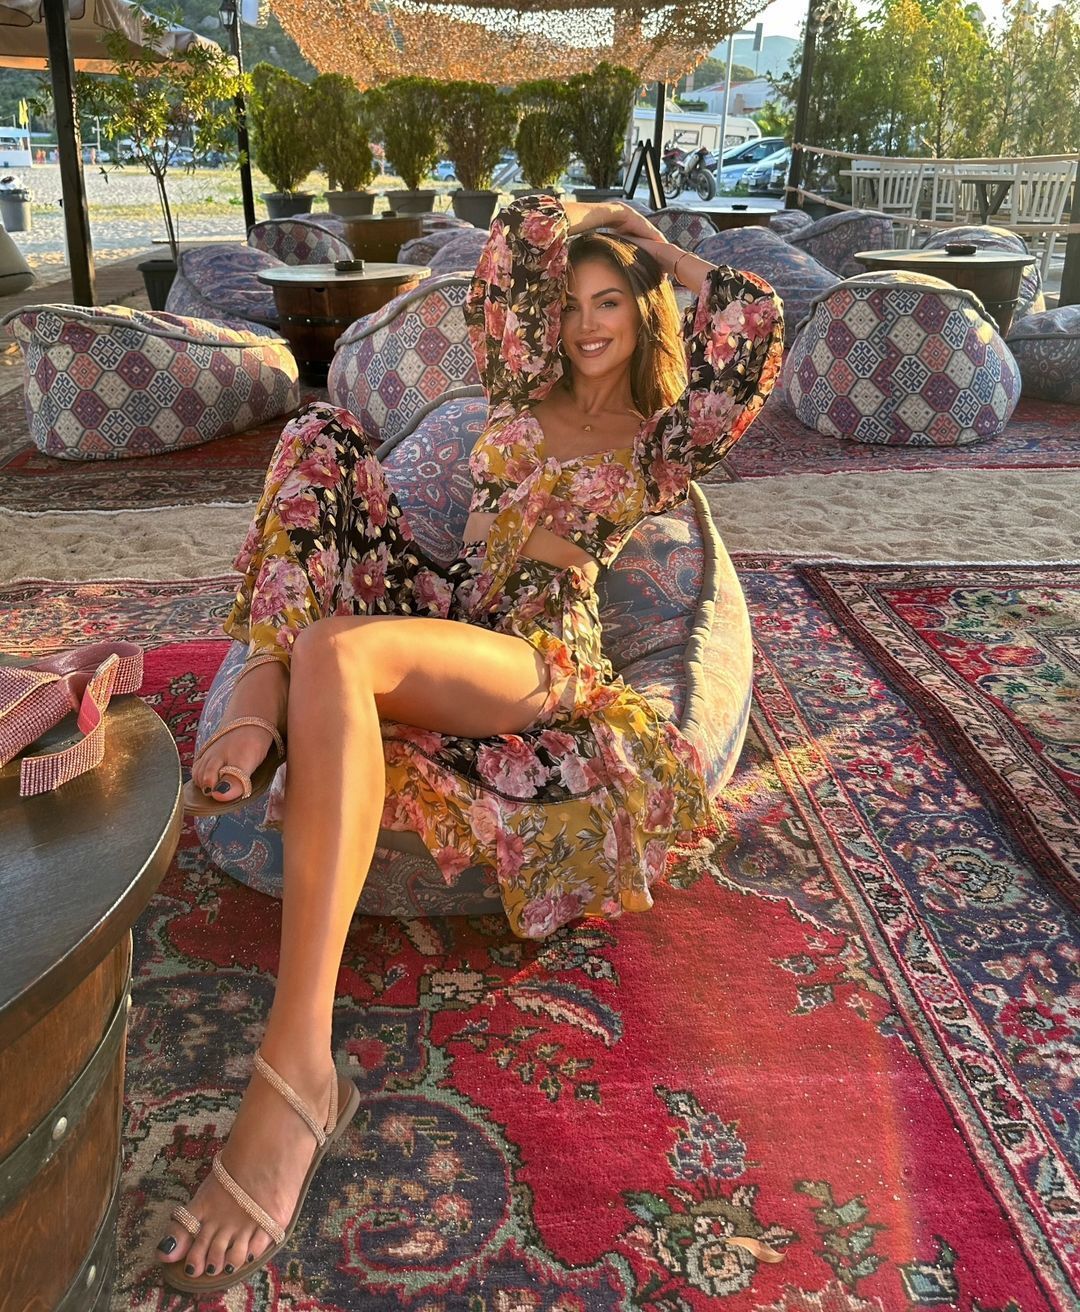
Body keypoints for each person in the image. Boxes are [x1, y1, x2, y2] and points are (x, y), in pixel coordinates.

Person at [156, 196, 784, 1293]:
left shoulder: (664, 436)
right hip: (453, 606)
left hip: (537, 656)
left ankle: (297, 1064)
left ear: (642, 313)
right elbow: (505, 262)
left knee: (338, 652)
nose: (587, 325)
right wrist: (584, 212)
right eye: (572, 304)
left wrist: (660, 248)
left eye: (611, 304)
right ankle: (267, 671)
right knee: (318, 433)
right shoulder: (519, 387)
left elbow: (755, 324)